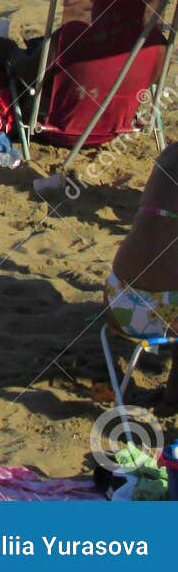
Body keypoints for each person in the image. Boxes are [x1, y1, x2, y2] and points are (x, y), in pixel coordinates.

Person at [108, 142, 178, 404]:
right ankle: (173, 396)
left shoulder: (170, 153)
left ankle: (174, 394)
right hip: (161, 319)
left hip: (119, 302)